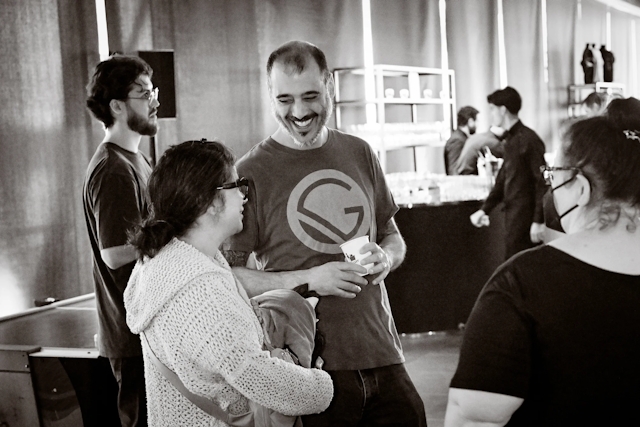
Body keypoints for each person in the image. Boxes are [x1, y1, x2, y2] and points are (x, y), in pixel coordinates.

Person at [224, 40, 427, 426]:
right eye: (285, 99)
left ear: (330, 87)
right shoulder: (250, 172)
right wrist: (311, 279)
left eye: (310, 96)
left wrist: (386, 256)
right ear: (270, 96)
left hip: (382, 350)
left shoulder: (360, 152)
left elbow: (392, 236)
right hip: (308, 366)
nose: (299, 112)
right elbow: (230, 277)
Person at [444, 115, 640, 426]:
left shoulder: (522, 283)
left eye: (554, 176)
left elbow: (474, 416)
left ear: (579, 188)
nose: (551, 189)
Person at [124, 139, 333, 426]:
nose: (244, 196)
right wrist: (321, 387)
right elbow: (252, 372)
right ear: (211, 201)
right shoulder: (200, 289)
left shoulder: (163, 263)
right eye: (237, 185)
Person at [83, 55, 159, 427]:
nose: (155, 101)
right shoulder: (113, 170)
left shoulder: (136, 160)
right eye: (144, 93)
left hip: (145, 331)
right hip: (131, 339)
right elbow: (114, 253)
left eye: (153, 91)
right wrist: (174, 232)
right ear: (116, 105)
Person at [469, 87, 547, 260]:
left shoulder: (529, 140)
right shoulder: (510, 140)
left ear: (502, 109)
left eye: (492, 109)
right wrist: (485, 210)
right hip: (514, 218)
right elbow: (503, 179)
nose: (491, 114)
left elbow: (542, 181)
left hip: (525, 220)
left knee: (522, 268)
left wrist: (538, 221)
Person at [444, 106, 479, 175]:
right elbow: (454, 170)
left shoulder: (461, 138)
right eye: (477, 121)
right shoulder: (457, 141)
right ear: (470, 121)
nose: (477, 125)